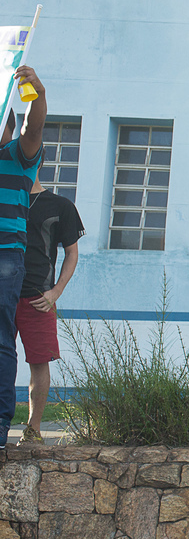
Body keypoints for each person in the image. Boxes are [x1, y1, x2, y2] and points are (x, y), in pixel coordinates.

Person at [17, 176, 83, 445]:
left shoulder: (60, 205)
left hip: (37, 297)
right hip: (3, 295)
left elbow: (72, 253)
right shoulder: (6, 200)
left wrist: (55, 291)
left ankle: (33, 430)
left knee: (39, 362)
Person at [0, 65, 46, 451]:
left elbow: (35, 127)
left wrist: (37, 93)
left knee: (0, 341)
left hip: (5, 258)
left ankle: (1, 428)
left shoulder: (18, 155)